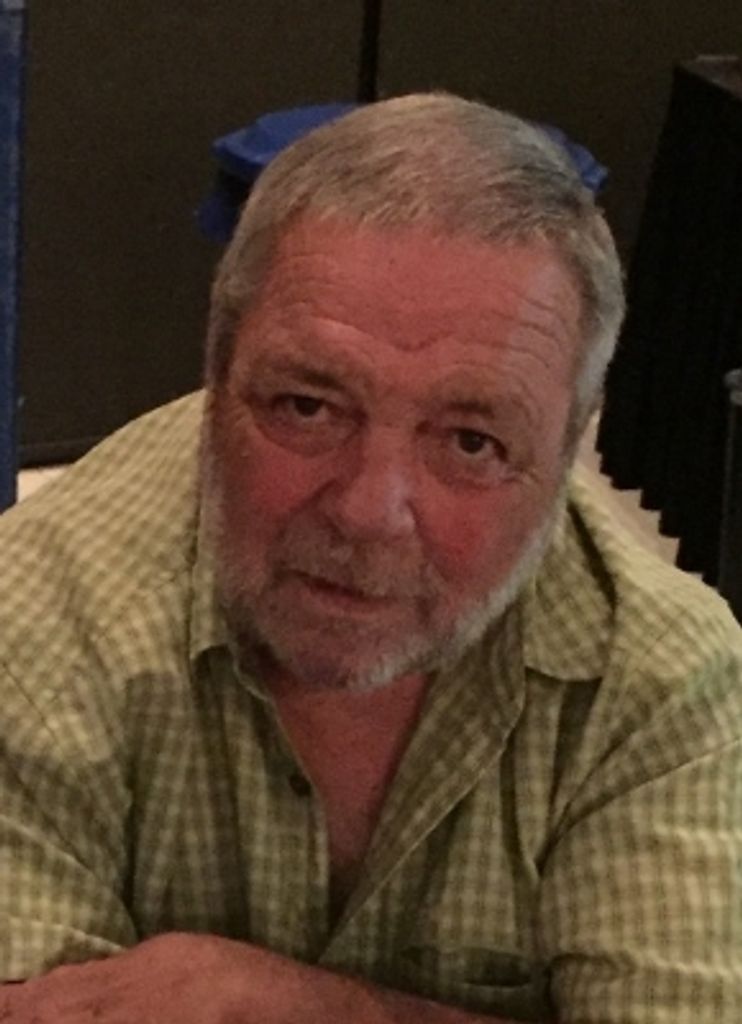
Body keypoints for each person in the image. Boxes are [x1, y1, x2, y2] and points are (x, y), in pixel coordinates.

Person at [0, 94, 740, 1024]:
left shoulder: (664, 677)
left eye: (470, 441)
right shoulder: (29, 628)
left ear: (567, 456)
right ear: (214, 382)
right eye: (308, 406)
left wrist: (300, 1006)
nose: (369, 513)